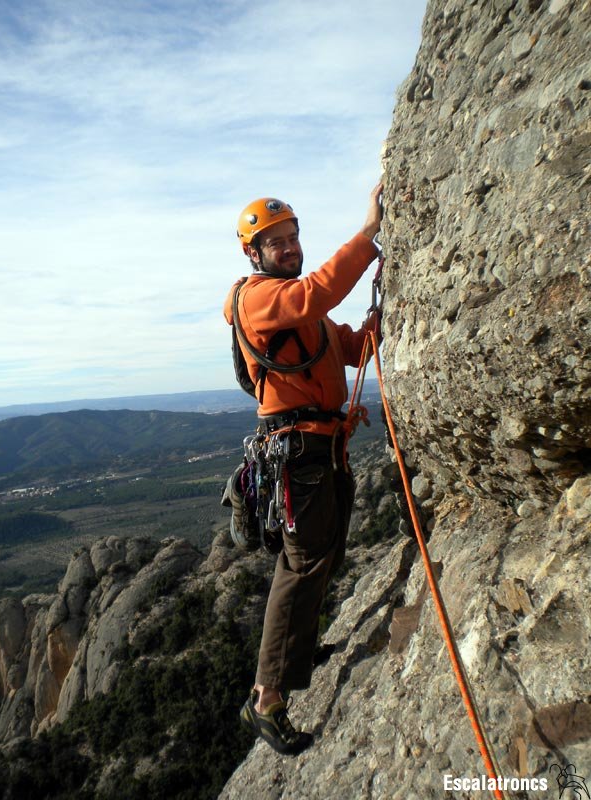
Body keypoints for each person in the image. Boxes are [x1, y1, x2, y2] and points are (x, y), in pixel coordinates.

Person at [223, 184, 383, 755]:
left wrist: (384, 318)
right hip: (298, 458)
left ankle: (296, 650)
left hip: (324, 448)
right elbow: (316, 295)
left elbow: (353, 348)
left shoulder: (303, 310)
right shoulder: (260, 300)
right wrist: (368, 237)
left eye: (293, 239)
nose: (290, 249)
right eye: (277, 243)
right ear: (254, 254)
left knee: (329, 552)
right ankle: (264, 699)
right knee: (305, 563)